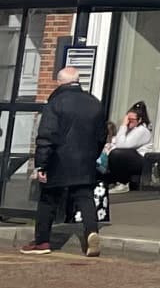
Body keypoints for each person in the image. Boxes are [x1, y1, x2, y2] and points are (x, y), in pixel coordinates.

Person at [20, 67, 107, 257]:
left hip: (58, 159)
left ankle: (42, 241)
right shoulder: (94, 103)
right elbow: (102, 135)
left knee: (48, 199)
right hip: (85, 160)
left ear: (60, 82)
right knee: (85, 197)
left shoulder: (56, 102)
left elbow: (47, 135)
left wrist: (41, 164)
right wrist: (92, 155)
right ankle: (91, 232)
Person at [102, 102, 152, 190]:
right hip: (133, 157)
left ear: (140, 120)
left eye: (131, 120)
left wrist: (123, 125)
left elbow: (121, 145)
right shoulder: (130, 129)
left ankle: (122, 182)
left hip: (142, 161)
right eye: (127, 119)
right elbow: (117, 141)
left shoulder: (142, 130)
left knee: (116, 154)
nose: (128, 122)